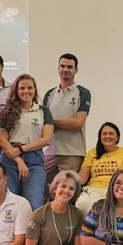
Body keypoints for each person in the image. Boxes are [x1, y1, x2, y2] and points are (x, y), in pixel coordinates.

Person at [0, 73, 54, 211]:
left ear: (35, 90)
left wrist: (21, 149)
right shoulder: (8, 111)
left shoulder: (43, 111)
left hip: (34, 160)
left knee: (33, 204)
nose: (26, 91)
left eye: (29, 88)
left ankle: (31, 227)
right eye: (22, 88)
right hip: (10, 159)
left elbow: (46, 139)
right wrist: (18, 160)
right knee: (9, 204)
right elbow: (2, 139)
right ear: (16, 90)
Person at [43, 53, 92, 198]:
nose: (65, 70)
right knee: (45, 192)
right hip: (50, 151)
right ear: (58, 68)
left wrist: (51, 123)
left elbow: (78, 123)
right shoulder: (50, 94)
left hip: (72, 152)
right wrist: (63, 123)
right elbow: (42, 123)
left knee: (69, 193)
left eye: (70, 67)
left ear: (76, 70)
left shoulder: (82, 92)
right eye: (62, 66)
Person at [76, 122, 123, 214]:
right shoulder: (93, 152)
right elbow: (82, 177)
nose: (108, 136)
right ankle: (90, 223)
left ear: (117, 137)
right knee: (82, 202)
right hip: (93, 190)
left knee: (107, 207)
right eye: (104, 134)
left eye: (111, 134)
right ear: (100, 137)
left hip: (115, 190)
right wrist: (70, 181)